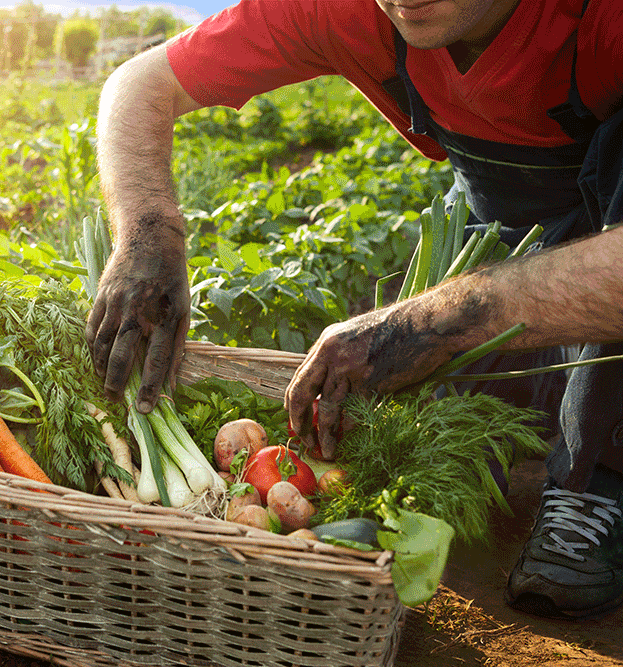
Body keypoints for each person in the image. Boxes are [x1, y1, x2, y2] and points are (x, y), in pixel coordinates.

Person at [85, 0, 623, 620]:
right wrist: (149, 230)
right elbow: (138, 84)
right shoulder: (349, 10)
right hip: (493, 233)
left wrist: (438, 320)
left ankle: (596, 478)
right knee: (454, 456)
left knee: (593, 426)